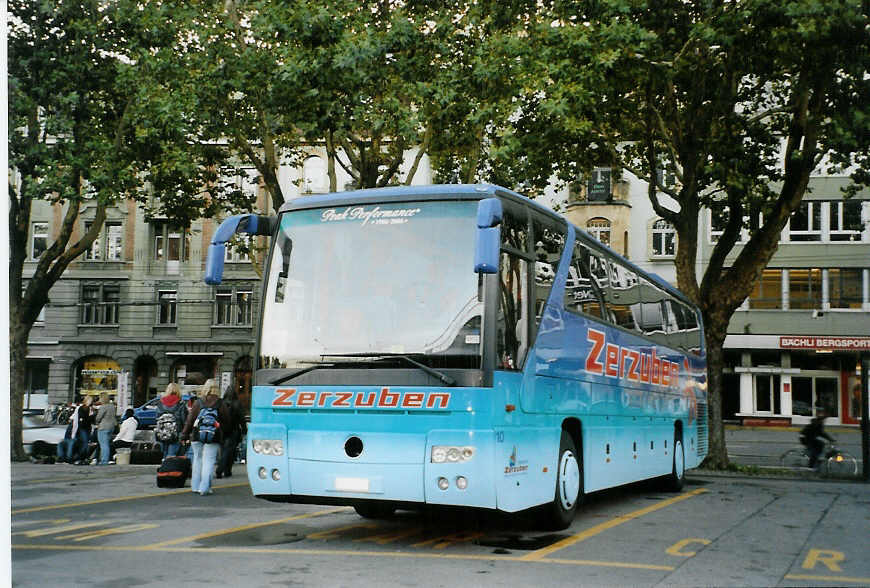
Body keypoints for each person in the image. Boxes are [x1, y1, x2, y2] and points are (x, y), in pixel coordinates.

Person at [181, 379, 231, 496]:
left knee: (197, 459)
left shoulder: (198, 402)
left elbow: (190, 420)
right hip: (213, 436)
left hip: (197, 435)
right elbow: (227, 421)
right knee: (208, 461)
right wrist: (223, 433)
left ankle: (195, 486)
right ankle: (204, 488)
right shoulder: (220, 403)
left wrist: (184, 434)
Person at [216, 388, 246, 479]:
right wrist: (244, 429)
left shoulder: (221, 403)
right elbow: (242, 418)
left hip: (222, 430)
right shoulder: (237, 403)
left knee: (223, 450)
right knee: (230, 451)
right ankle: (225, 470)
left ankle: (223, 468)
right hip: (234, 430)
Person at [155, 382, 187, 460]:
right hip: (176, 433)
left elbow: (156, 418)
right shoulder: (180, 403)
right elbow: (184, 420)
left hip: (162, 433)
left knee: (164, 454)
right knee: (172, 455)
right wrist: (185, 434)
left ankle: (164, 468)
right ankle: (169, 470)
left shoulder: (160, 403)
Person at [94, 393, 118, 465]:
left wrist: (96, 421)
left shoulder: (103, 407)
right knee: (106, 444)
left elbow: (98, 417)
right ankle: (105, 459)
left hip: (103, 427)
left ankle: (104, 460)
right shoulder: (112, 406)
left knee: (103, 444)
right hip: (111, 427)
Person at [72, 397, 94, 464]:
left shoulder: (90, 408)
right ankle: (80, 457)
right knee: (84, 443)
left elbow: (91, 419)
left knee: (86, 443)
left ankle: (83, 458)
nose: (90, 402)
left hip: (88, 427)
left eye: (91, 401)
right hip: (82, 428)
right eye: (89, 401)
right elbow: (81, 419)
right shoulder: (81, 408)